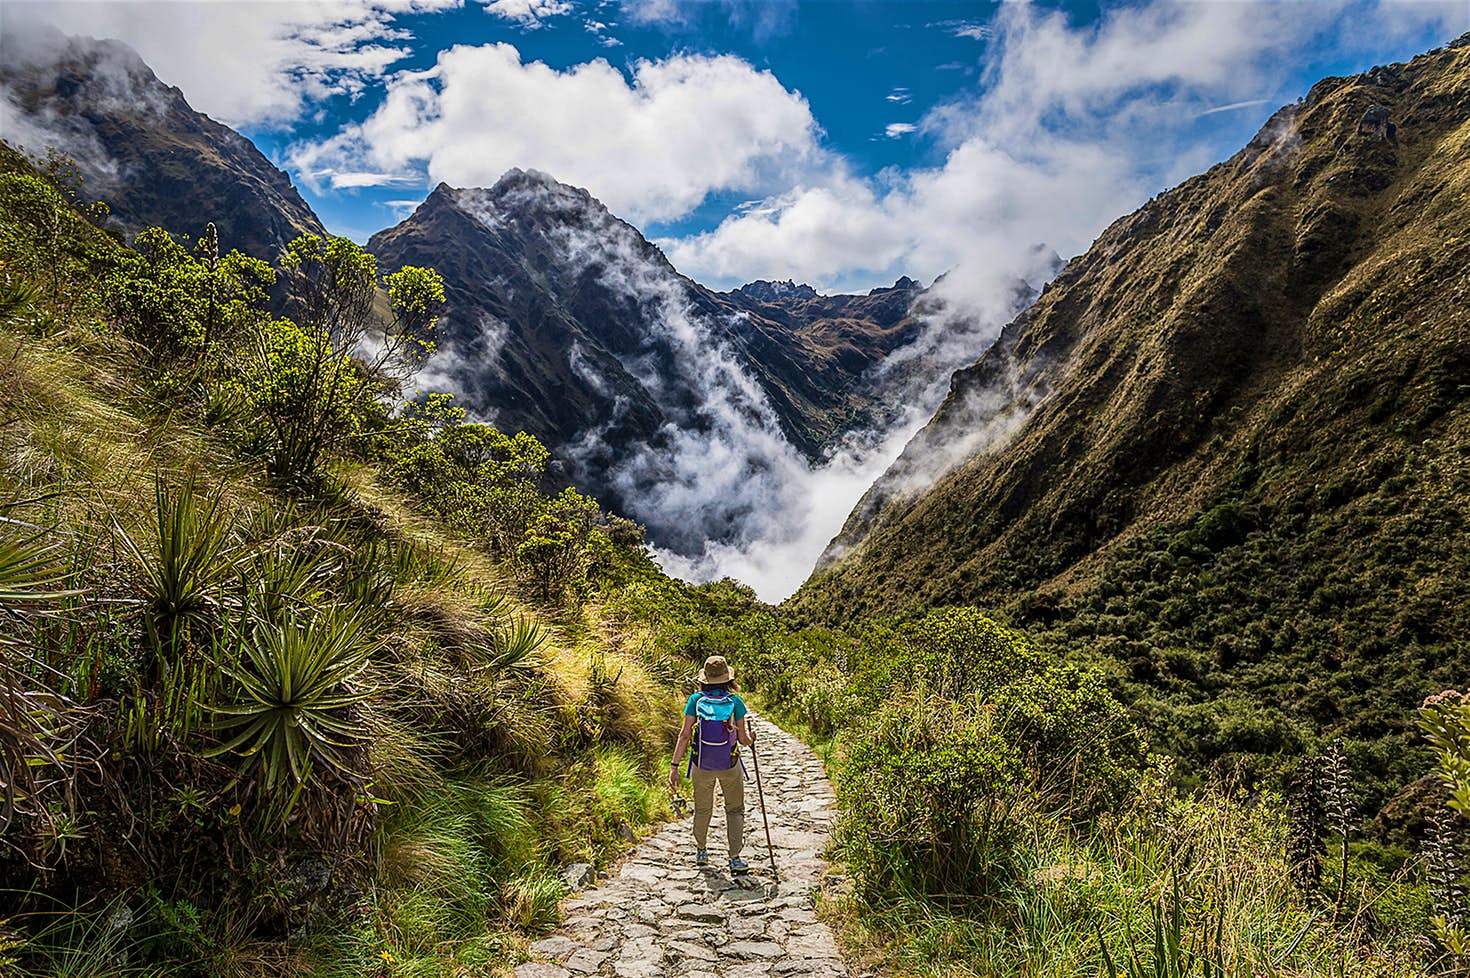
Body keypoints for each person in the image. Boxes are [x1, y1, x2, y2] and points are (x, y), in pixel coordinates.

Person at [668, 655, 755, 872]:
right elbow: (743, 740)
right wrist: (752, 738)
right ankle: (734, 858)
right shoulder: (735, 702)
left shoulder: (695, 701)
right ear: (727, 679)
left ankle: (701, 851)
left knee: (703, 809)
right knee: (734, 810)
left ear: (705, 679)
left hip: (701, 764)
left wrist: (674, 765)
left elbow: (685, 735)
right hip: (730, 764)